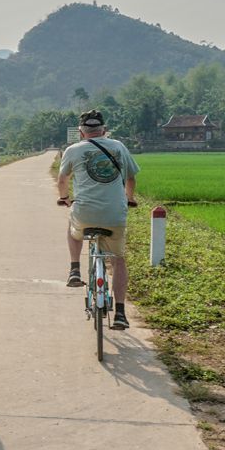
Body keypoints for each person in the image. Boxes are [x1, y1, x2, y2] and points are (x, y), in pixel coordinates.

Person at [56, 109, 140, 330]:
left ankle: (75, 269)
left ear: (81, 132)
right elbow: (131, 179)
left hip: (84, 213)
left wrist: (64, 198)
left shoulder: (73, 150)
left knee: (73, 225)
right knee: (118, 260)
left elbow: (62, 180)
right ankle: (120, 312)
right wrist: (130, 199)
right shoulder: (118, 146)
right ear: (104, 130)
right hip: (114, 215)